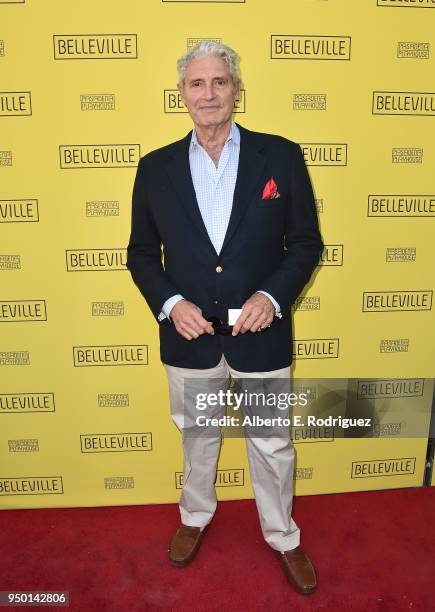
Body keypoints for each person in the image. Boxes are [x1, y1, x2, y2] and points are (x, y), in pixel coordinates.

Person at [126, 40, 324, 595]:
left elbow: (305, 244)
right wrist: (170, 305)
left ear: (237, 89)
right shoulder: (155, 168)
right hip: (190, 340)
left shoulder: (280, 156)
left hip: (261, 337)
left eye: (219, 82)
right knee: (196, 437)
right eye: (197, 84)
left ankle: (283, 536)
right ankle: (194, 517)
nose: (208, 93)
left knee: (271, 443)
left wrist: (272, 297)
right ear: (182, 95)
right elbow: (141, 253)